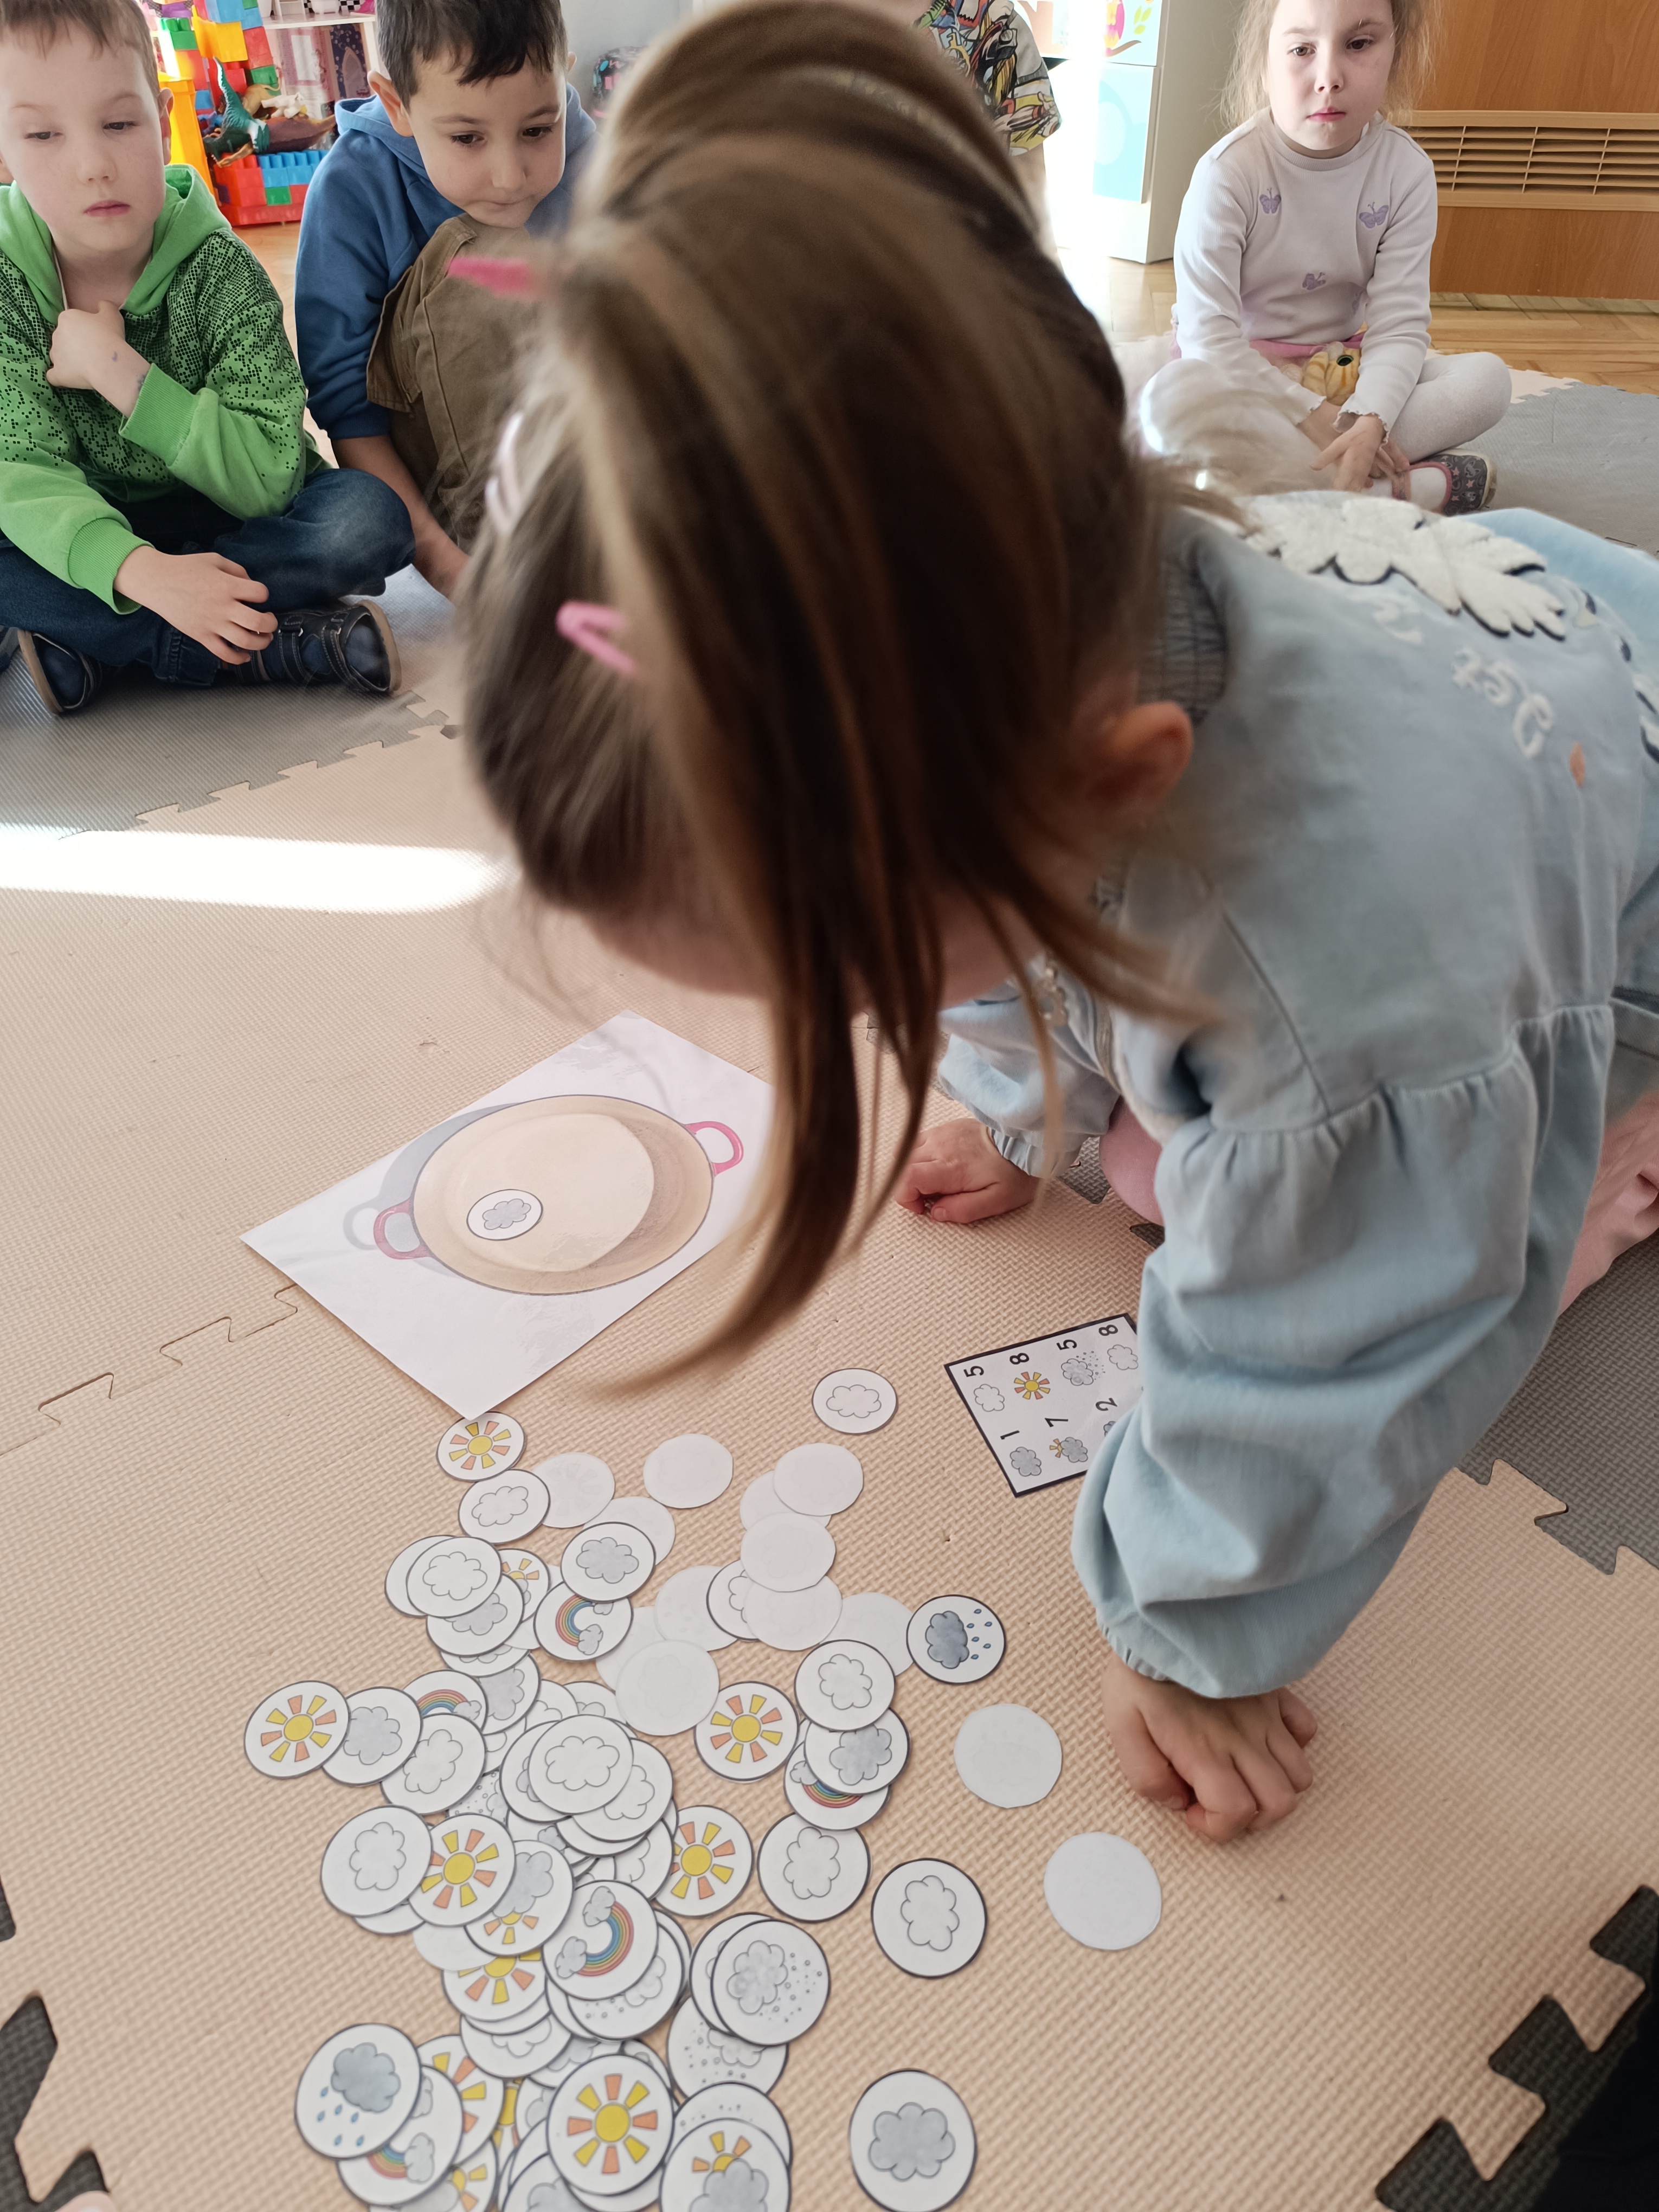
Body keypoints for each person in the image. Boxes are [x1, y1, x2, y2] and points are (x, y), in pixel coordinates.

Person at [461, 0, 1659, 1843]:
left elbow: (1320, 1367)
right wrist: (1018, 1110)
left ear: (1108, 783)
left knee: (1339, 1212)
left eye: (848, 980)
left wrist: (1192, 1630)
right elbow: (1000, 910)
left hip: (1607, 877)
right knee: (1177, 1160)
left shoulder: (1348, 996)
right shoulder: (1071, 639)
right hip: (1510, 648)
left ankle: (1576, 1150)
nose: (839, 1027)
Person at [0, 0, 411, 717]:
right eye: (43, 134)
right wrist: (141, 571)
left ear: (163, 121)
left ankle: (105, 646)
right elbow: (22, 476)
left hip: (236, 524)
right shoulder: (7, 283)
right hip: (93, 526)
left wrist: (124, 376)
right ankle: (264, 647)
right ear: (4, 151)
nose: (94, 166)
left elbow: (270, 480)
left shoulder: (222, 271)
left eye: (119, 124)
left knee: (367, 520)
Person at [1139, 0, 1512, 513]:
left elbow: (1399, 327)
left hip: (1344, 373)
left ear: (1396, 51)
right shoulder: (1226, 174)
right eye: (1302, 50)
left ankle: (1292, 480)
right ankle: (1389, 490)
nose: (1329, 78)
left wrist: (1371, 420)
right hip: (1246, 383)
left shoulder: (1407, 173)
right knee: (1168, 400)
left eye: (1358, 44)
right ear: (1264, 62)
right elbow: (1209, 340)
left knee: (1488, 381)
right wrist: (1314, 418)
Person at [294, 0, 595, 600]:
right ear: (396, 105)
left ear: (563, 79)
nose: (510, 176)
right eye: (467, 138)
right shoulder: (352, 186)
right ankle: (518, 560)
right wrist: (449, 566)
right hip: (451, 481)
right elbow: (348, 410)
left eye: (538, 130)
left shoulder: (587, 151)